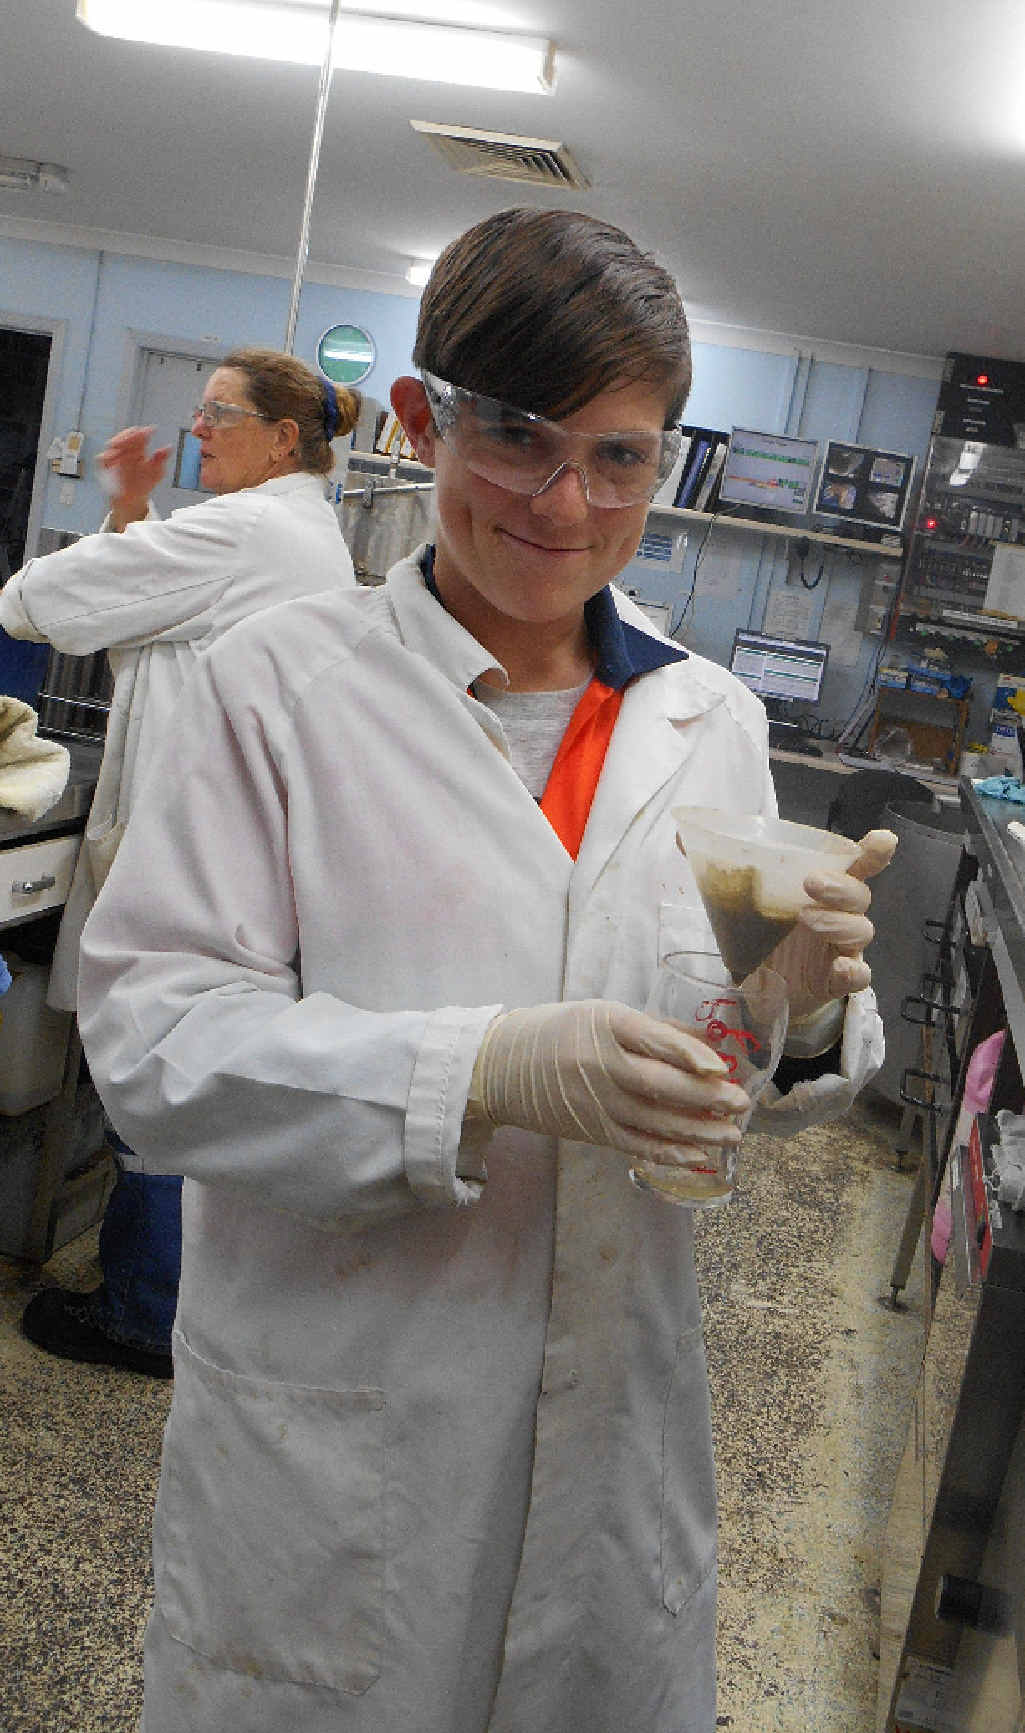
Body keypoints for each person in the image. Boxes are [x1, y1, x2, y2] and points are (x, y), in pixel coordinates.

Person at [77, 209, 895, 1731]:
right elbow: (154, 1049)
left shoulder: (705, 715)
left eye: (619, 455)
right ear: (418, 418)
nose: (563, 499)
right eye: (516, 434)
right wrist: (484, 1071)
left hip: (617, 1441)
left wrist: (784, 1012)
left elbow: (730, 1059)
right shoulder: (280, 689)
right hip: (344, 1450)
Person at [0, 346, 359, 1375]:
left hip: (185, 846)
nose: (194, 428)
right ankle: (159, 1292)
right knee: (176, 1071)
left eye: (216, 414)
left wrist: (116, 531)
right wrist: (131, 512)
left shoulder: (243, 528)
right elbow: (164, 611)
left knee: (153, 1072)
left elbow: (33, 602)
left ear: (282, 437)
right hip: (228, 845)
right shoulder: (296, 536)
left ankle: (144, 1310)